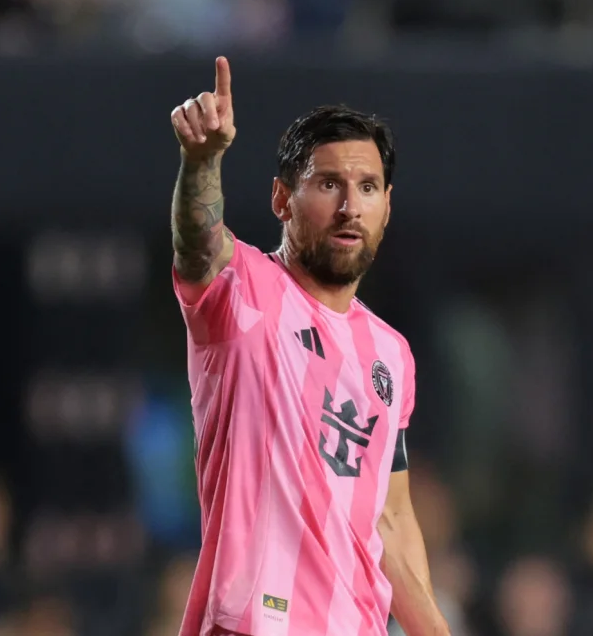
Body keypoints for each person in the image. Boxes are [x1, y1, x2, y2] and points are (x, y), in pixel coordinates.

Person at [167, 56, 449, 636]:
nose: (351, 207)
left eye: (367, 187)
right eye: (329, 184)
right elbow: (198, 243)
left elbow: (391, 520)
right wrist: (203, 161)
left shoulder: (390, 355)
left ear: (387, 206)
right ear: (281, 199)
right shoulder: (242, 295)